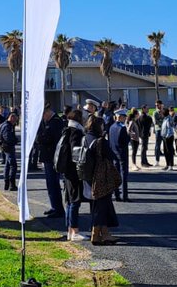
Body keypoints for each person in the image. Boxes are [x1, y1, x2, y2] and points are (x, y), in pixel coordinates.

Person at [83, 113, 120, 244]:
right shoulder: (100, 141)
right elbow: (111, 156)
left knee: (97, 206)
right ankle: (97, 233)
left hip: (88, 176)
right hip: (101, 177)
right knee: (103, 204)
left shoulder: (85, 138)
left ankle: (102, 232)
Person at [54, 105, 88, 241]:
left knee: (69, 200)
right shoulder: (76, 132)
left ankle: (69, 230)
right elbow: (76, 151)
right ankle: (75, 231)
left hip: (66, 170)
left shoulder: (67, 129)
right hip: (73, 171)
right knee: (75, 200)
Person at [34, 104, 66, 218]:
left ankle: (58, 209)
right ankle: (54, 206)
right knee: (50, 184)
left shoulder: (56, 122)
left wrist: (39, 137)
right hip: (48, 156)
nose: (43, 118)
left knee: (53, 183)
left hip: (52, 157)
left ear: (47, 112)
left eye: (43, 115)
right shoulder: (49, 122)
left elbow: (48, 138)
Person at [108, 109, 131, 201]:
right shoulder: (122, 128)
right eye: (124, 117)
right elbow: (125, 142)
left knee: (115, 174)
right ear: (120, 117)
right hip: (122, 154)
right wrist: (129, 136)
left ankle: (117, 194)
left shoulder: (111, 127)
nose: (125, 119)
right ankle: (124, 195)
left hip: (114, 153)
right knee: (123, 175)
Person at [0, 111, 20, 192]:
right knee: (13, 165)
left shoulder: (6, 125)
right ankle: (11, 184)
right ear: (12, 118)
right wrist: (15, 140)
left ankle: (7, 183)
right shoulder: (7, 126)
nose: (15, 121)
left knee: (7, 165)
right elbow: (8, 138)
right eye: (15, 119)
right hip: (8, 147)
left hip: (6, 147)